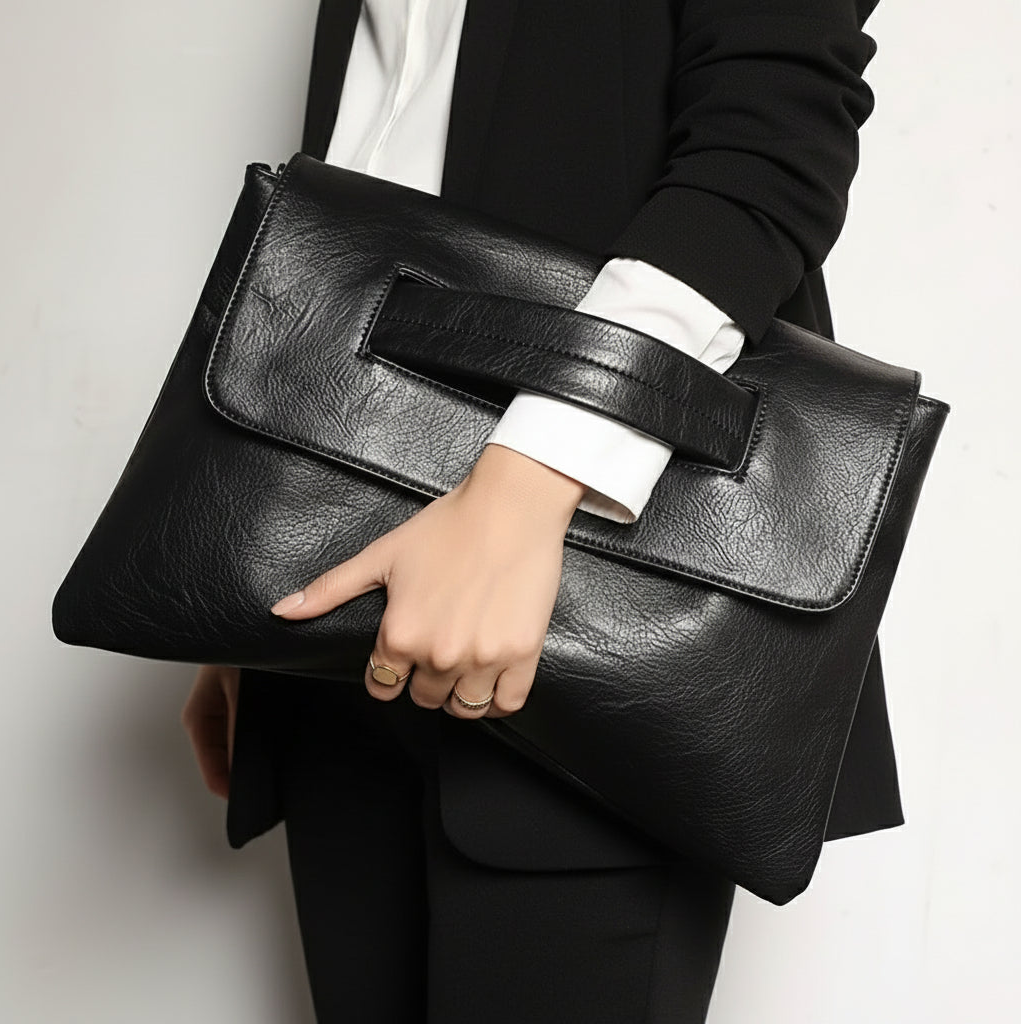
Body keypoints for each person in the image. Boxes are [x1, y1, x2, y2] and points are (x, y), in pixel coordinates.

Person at [182, 2, 897, 1020]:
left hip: (592, 582)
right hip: (335, 593)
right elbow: (376, 148)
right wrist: (250, 542)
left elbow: (769, 145)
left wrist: (526, 484)